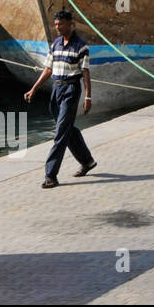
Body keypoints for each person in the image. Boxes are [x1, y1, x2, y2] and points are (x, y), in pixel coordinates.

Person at [24, 10, 96, 188]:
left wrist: (88, 96)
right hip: (56, 89)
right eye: (55, 24)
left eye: (61, 24)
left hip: (71, 89)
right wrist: (34, 88)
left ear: (70, 24)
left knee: (60, 133)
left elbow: (85, 72)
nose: (57, 27)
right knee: (67, 128)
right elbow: (48, 69)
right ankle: (87, 161)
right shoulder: (55, 44)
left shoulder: (81, 46)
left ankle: (51, 175)